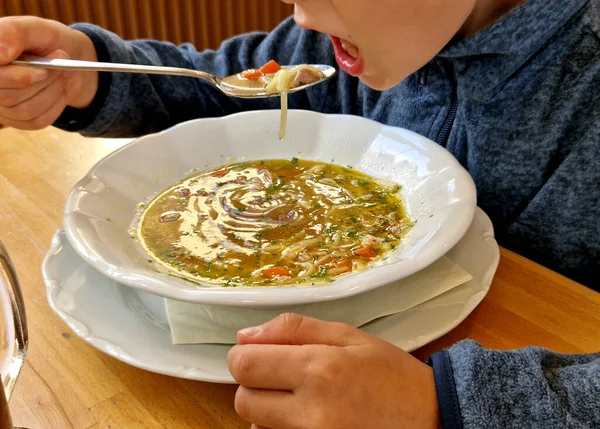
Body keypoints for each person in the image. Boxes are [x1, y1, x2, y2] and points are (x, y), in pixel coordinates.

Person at [0, 0, 598, 427]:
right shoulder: (338, 36)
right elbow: (224, 86)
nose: (301, 14)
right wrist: (91, 70)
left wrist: (450, 402)